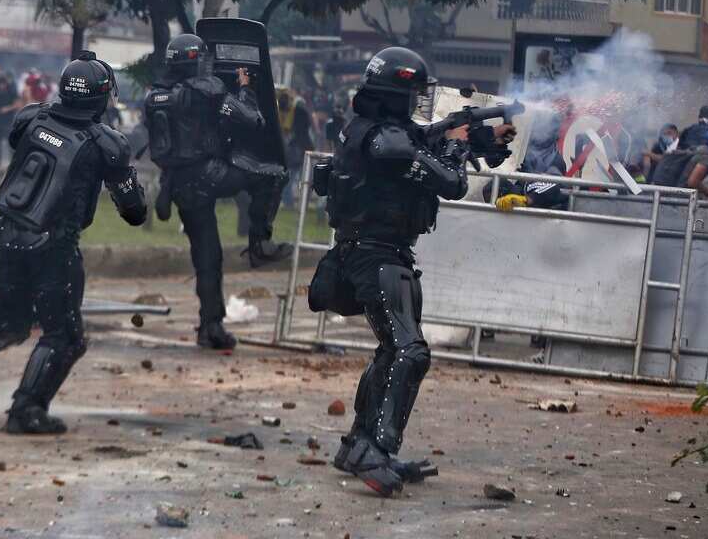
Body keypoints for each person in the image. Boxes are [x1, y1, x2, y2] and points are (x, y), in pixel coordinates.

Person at [307, 47, 514, 496]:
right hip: (375, 255)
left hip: (378, 251)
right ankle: (376, 450)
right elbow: (452, 182)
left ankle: (358, 444)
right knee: (410, 352)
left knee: (391, 349)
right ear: (394, 94)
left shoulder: (379, 131)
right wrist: (459, 144)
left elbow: (422, 144)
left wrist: (479, 141)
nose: (419, 103)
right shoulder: (387, 142)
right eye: (412, 94)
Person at [0, 52, 147, 434]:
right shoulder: (107, 143)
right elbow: (135, 211)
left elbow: (21, 142)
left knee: (13, 315)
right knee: (65, 335)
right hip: (54, 247)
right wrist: (128, 177)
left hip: (8, 235)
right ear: (102, 96)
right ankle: (27, 410)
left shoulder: (31, 116)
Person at [145, 33, 291, 350]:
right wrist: (245, 88)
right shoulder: (206, 92)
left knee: (207, 257)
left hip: (178, 185)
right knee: (273, 175)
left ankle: (210, 326)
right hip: (208, 174)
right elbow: (252, 119)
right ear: (195, 62)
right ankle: (259, 243)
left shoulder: (157, 96)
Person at [277, 87, 315, 207]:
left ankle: (292, 202)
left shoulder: (294, 111)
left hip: (297, 148)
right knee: (302, 178)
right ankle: (295, 203)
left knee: (293, 177)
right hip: (300, 148)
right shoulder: (296, 110)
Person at [0, 72, 18, 167]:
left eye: (3, 83)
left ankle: (12, 162)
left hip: (8, 121)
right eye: (0, 83)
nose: (2, 85)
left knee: (9, 143)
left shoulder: (11, 93)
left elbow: (16, 104)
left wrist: (7, 108)